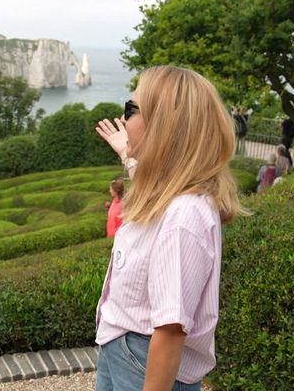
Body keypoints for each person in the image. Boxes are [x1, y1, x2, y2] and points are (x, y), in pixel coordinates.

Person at [94, 65, 244, 391]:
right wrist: (126, 151)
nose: (124, 119)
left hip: (143, 359)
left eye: (131, 110)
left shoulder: (182, 216)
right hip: (124, 348)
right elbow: (152, 185)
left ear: (164, 128)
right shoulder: (173, 195)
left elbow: (170, 330)